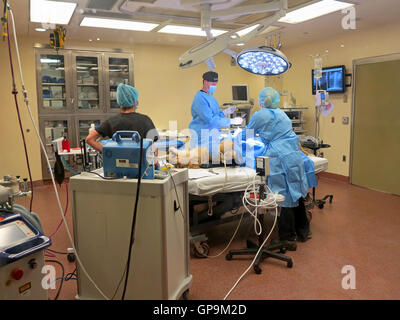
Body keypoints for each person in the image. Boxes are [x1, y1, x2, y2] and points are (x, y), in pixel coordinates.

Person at [240, 87, 311, 243]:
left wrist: (235, 137)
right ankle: (304, 230)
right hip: (293, 156)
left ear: (262, 101)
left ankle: (287, 237)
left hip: (279, 158)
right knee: (296, 193)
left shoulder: (260, 114)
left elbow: (246, 134)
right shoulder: (281, 113)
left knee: (282, 196)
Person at [86, 84, 158, 153]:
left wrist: (107, 153)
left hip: (117, 164)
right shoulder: (145, 120)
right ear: (135, 102)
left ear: (119, 101)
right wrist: (156, 163)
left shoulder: (111, 121)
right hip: (140, 164)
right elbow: (153, 147)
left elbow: (89, 139)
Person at [188, 71, 242, 152]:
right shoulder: (200, 98)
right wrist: (231, 121)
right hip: (202, 139)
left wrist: (225, 112)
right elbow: (210, 120)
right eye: (213, 84)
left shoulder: (211, 97)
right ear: (205, 82)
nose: (215, 86)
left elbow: (215, 116)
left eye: (216, 84)